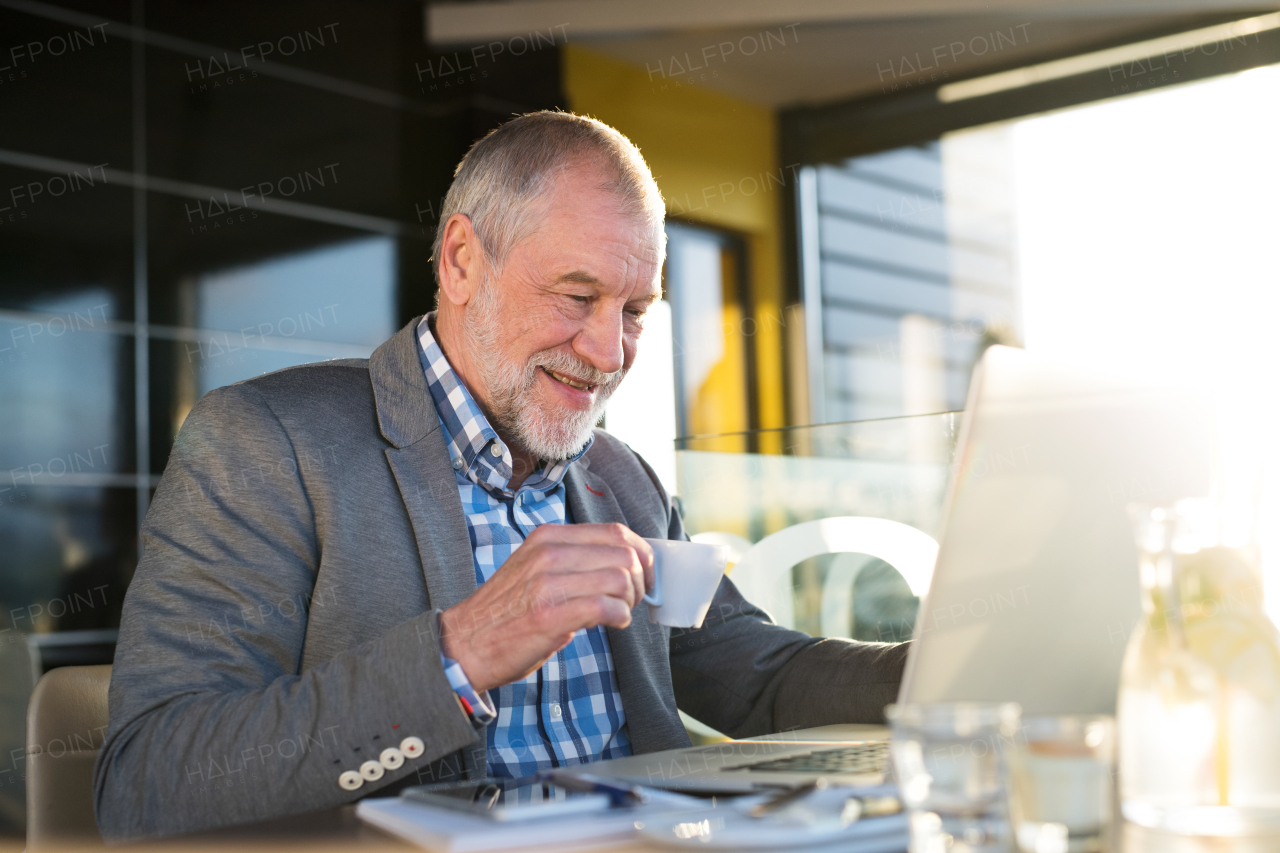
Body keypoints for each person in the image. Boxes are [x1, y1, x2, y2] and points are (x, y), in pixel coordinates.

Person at [93, 111, 908, 840]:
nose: (609, 352)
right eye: (576, 294)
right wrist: (464, 649)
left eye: (633, 311)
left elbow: (757, 675)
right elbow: (149, 775)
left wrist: (949, 661)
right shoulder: (268, 444)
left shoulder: (625, 480)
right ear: (459, 262)